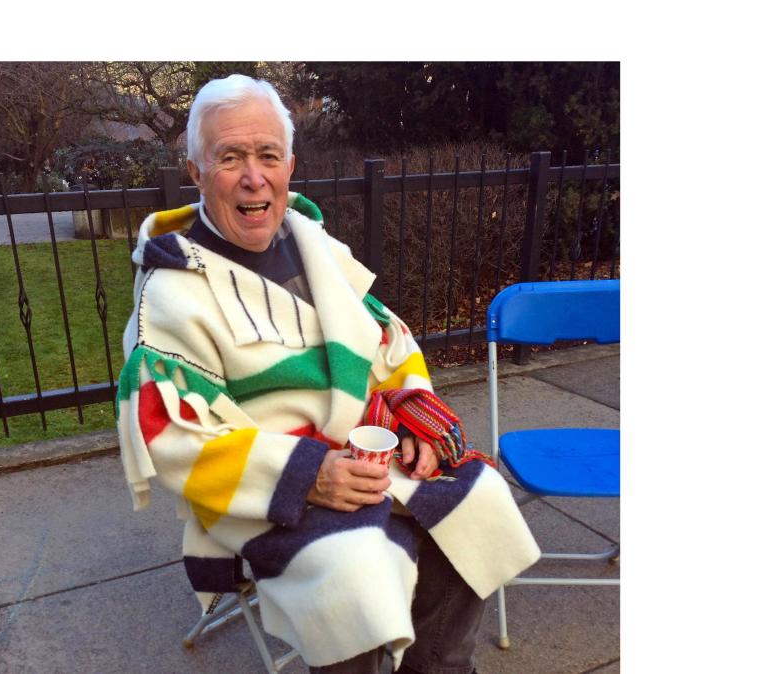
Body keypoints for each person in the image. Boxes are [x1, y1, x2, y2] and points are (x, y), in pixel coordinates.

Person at [116, 74, 540, 673]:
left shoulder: (317, 245)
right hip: (266, 486)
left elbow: (388, 341)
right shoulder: (169, 292)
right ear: (196, 171)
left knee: (478, 498)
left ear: (290, 165)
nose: (253, 177)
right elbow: (171, 437)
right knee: (354, 568)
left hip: (366, 454)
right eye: (230, 157)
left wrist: (414, 416)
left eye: (268, 155)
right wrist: (310, 475)